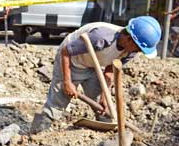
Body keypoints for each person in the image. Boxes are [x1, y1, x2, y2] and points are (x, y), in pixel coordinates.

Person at [30, 17, 162, 134]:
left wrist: (105, 96)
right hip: (71, 59)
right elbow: (66, 53)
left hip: (93, 63)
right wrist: (67, 82)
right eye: (138, 48)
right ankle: (37, 132)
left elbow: (110, 70)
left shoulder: (130, 51)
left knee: (102, 103)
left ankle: (105, 128)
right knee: (59, 98)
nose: (138, 52)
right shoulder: (101, 37)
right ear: (130, 39)